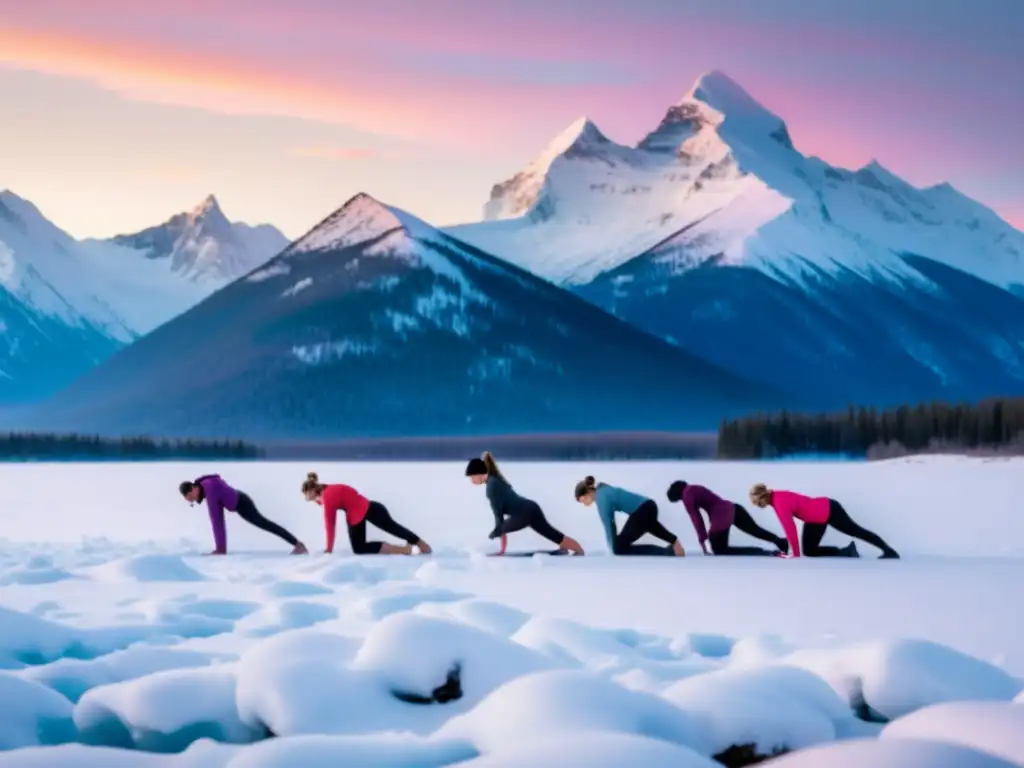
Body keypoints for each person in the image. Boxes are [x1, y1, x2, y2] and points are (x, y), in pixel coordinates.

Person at [465, 452, 584, 555]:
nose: (471, 480)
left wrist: (498, 537)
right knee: (553, 535)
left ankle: (501, 550)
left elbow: (498, 516)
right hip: (531, 507)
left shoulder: (491, 487)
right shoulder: (494, 480)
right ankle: (579, 551)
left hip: (524, 514)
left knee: (499, 529)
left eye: (471, 477)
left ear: (478, 473)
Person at [748, 483, 900, 559]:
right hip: (814, 518)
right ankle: (847, 552)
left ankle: (889, 550)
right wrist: (796, 553)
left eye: (757, 502)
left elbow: (790, 528)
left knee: (856, 530)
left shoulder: (779, 503)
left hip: (828, 510)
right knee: (809, 550)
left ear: (763, 497)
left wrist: (795, 555)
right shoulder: (777, 498)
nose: (757, 505)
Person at [300, 472, 431, 555]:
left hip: (365, 511)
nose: (306, 498)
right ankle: (410, 547)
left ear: (311, 491)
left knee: (389, 530)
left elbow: (330, 525)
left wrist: (328, 550)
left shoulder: (327, 497)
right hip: (367, 509)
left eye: (306, 494)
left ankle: (412, 547)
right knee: (363, 546)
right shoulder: (327, 490)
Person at [179, 474, 307, 555]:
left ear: (193, 488)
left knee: (265, 524)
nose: (194, 500)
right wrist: (220, 549)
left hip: (243, 504)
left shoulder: (210, 491)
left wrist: (220, 550)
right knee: (265, 524)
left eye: (192, 497)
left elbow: (217, 521)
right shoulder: (206, 485)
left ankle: (298, 545)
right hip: (241, 500)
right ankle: (298, 544)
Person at [667, 480, 786, 556]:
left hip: (720, 517)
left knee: (719, 550)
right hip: (733, 507)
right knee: (755, 530)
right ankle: (780, 541)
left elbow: (697, 519)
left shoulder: (687, 496)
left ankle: (762, 552)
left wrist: (703, 541)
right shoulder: (694, 488)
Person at [574, 476, 685, 557]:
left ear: (588, 492)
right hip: (649, 506)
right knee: (651, 526)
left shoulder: (601, 498)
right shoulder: (603, 490)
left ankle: (669, 552)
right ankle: (674, 546)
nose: (584, 504)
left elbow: (609, 524)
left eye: (583, 500)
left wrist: (613, 549)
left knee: (619, 548)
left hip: (642, 511)